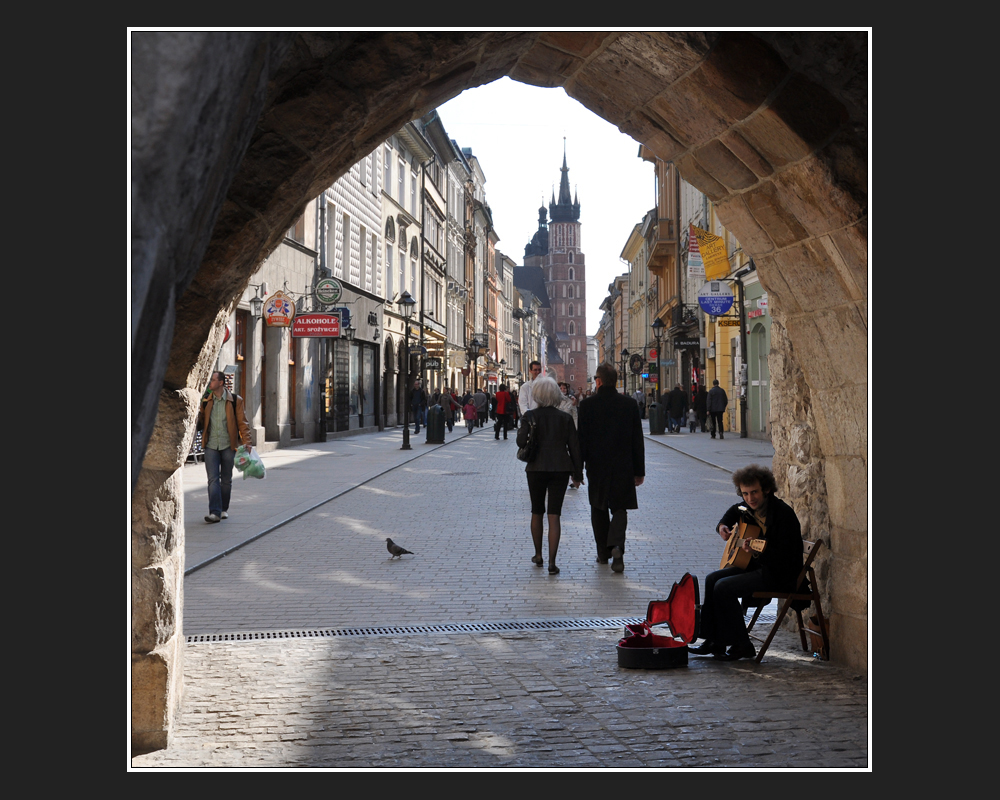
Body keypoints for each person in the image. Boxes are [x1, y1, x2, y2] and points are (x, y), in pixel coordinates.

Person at [691, 465, 804, 661]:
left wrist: (759, 552)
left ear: (766, 489)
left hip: (779, 575)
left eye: (754, 492)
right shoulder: (746, 508)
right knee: (712, 579)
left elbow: (786, 558)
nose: (750, 498)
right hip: (759, 568)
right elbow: (734, 510)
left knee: (723, 587)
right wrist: (722, 526)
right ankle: (714, 640)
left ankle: (742, 645)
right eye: (745, 493)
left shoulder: (782, 515)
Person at [577, 364, 645, 573]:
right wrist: (639, 470)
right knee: (620, 507)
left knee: (598, 508)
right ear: (615, 381)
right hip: (622, 466)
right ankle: (617, 546)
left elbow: (581, 441)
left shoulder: (587, 405)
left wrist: (577, 470)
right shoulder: (629, 404)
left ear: (598, 381)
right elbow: (637, 440)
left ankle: (602, 553)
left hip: (597, 466)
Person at [516, 377, 583, 575]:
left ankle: (538, 555)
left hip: (536, 468)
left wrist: (526, 429)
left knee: (537, 511)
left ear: (536, 395)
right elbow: (574, 448)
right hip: (560, 468)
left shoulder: (529, 416)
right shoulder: (565, 418)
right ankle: (552, 562)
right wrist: (577, 475)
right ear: (556, 395)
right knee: (554, 515)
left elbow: (521, 442)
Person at [197, 370, 252, 523]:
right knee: (213, 479)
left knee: (226, 480)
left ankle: (223, 509)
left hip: (229, 445)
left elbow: (243, 423)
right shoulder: (206, 401)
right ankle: (214, 512)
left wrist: (247, 442)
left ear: (220, 383)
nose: (210, 383)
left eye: (213, 380)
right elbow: (200, 422)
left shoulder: (235, 400)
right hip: (211, 445)